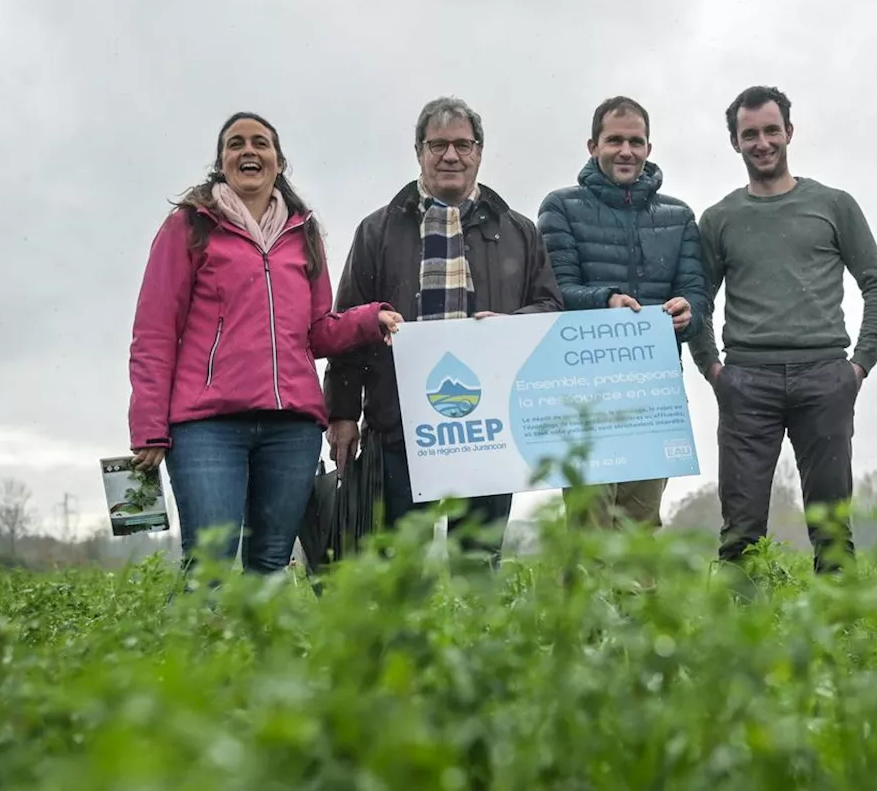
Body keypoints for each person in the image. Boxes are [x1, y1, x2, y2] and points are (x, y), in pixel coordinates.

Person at [128, 112, 401, 577]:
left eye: (260, 143)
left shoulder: (304, 233)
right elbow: (154, 330)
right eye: (236, 144)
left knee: (271, 564)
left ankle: (263, 650)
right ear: (222, 162)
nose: (248, 151)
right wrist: (149, 425)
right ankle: (197, 650)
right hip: (207, 426)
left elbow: (315, 333)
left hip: (291, 428)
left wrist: (368, 319)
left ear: (278, 162)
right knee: (209, 565)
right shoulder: (189, 227)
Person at [323, 96, 563, 566]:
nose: (450, 155)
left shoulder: (518, 231)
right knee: (399, 566)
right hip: (400, 429)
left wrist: (511, 327)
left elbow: (551, 309)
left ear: (479, 151)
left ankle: (471, 641)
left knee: (477, 563)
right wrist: (343, 412)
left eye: (462, 145)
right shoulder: (378, 231)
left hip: (490, 431)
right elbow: (348, 326)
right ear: (418, 151)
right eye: (438, 145)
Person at [690, 85, 877, 574]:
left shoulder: (833, 205)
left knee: (832, 528)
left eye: (770, 130)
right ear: (735, 142)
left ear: (789, 132)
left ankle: (841, 635)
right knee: (739, 530)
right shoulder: (719, 219)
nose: (762, 142)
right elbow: (698, 298)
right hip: (746, 382)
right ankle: (743, 637)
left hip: (825, 376)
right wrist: (713, 368)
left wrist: (859, 365)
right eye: (749, 134)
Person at [536, 95, 708, 531]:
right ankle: (586, 602)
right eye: (615, 140)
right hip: (584, 393)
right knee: (589, 521)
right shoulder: (560, 208)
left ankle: (638, 602)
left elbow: (696, 293)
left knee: (642, 524)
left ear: (649, 148)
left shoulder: (679, 216)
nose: (626, 151)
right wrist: (606, 299)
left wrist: (690, 312)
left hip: (656, 392)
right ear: (593, 145)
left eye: (636, 141)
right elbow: (555, 293)